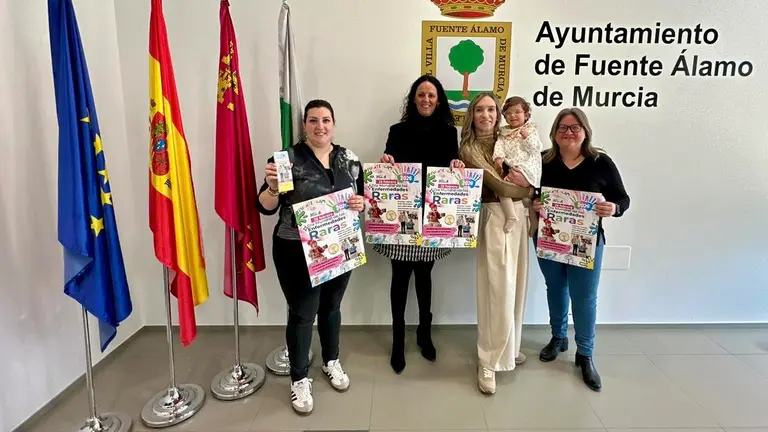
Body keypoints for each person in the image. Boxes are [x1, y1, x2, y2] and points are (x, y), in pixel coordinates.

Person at [256, 99, 366, 415]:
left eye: (326, 120)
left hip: (340, 246)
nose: (320, 126)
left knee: (331, 307)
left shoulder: (349, 159)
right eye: (313, 120)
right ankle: (299, 378)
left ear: (334, 124)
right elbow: (264, 206)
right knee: (304, 313)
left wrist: (360, 204)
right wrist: (273, 188)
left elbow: (359, 197)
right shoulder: (287, 160)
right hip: (296, 249)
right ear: (304, 124)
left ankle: (331, 360)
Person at [532, 107, 630, 392]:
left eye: (575, 127)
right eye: (562, 128)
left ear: (585, 131)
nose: (569, 132)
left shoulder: (600, 162)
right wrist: (534, 203)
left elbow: (622, 198)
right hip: (549, 239)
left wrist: (613, 208)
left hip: (586, 243)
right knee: (555, 288)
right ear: (554, 133)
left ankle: (585, 354)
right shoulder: (542, 161)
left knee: (585, 297)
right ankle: (558, 337)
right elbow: (531, 193)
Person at [376, 75, 464, 374]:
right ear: (413, 98)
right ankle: (398, 340)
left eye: (431, 95)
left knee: (425, 276)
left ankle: (424, 334)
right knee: (399, 278)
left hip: (432, 217)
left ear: (438, 101)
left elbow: (451, 167)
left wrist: (456, 165)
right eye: (421, 94)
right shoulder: (397, 131)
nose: (426, 99)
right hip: (402, 216)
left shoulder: (449, 132)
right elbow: (390, 165)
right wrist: (387, 162)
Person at [458, 92, 535, 395]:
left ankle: (510, 349)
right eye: (480, 109)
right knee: (497, 291)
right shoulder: (470, 148)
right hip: (496, 218)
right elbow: (501, 186)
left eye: (491, 109)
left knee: (517, 286)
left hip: (520, 218)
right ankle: (488, 361)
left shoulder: (509, 137)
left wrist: (530, 190)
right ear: (472, 115)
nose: (486, 115)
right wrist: (529, 191)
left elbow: (532, 167)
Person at [492, 96, 543, 233]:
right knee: (521, 197)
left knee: (503, 188)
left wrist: (526, 137)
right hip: (513, 167)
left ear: (526, 115)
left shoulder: (530, 130)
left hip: (526, 167)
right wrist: (498, 158)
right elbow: (499, 145)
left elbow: (536, 148)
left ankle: (514, 216)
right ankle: (528, 218)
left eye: (517, 112)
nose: (513, 115)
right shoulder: (504, 132)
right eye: (508, 113)